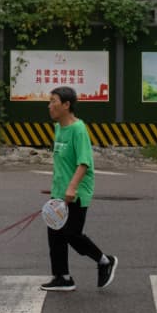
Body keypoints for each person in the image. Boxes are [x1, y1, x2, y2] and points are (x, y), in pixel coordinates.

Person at [42, 86, 117, 292]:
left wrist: (72, 187)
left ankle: (105, 261)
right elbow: (62, 163)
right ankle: (62, 277)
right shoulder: (58, 128)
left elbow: (84, 162)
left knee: (71, 233)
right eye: (49, 101)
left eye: (53, 101)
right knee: (55, 233)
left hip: (77, 192)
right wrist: (56, 187)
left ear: (66, 105)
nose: (49, 106)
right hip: (60, 191)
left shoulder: (78, 130)